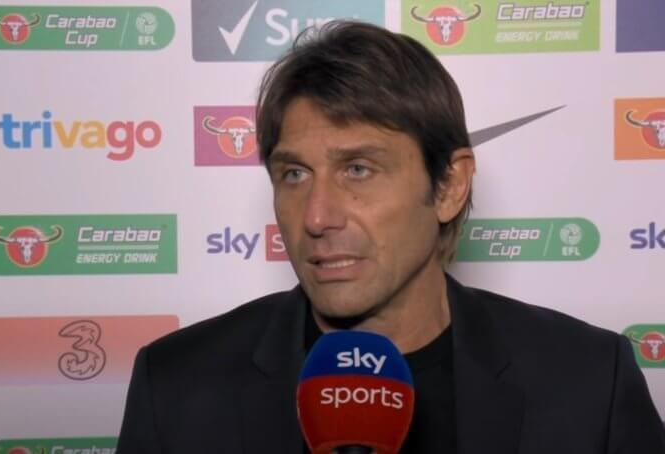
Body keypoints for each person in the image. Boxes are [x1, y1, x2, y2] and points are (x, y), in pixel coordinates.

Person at [118, 21, 665, 453]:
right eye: (295, 174)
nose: (316, 217)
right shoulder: (176, 386)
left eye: (358, 169)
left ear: (449, 186)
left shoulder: (590, 382)